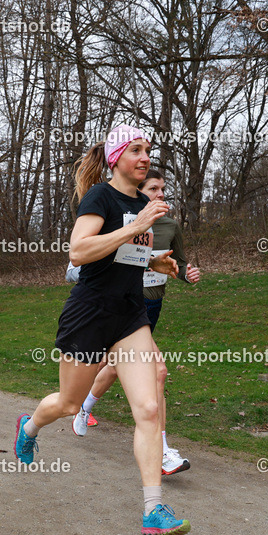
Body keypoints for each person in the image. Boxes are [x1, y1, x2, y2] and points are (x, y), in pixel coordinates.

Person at [12, 125, 190, 535]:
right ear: (115, 158)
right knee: (70, 405)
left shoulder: (141, 203)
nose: (145, 157)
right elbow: (80, 251)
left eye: (148, 150)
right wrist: (136, 225)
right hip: (89, 314)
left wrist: (155, 262)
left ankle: (152, 508)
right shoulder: (100, 197)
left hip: (129, 316)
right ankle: (30, 427)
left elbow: (122, 256)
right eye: (136, 150)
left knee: (147, 408)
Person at [71, 169, 201, 476]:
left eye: (163, 189)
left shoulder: (168, 225)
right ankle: (163, 451)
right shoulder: (122, 220)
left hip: (151, 306)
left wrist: (186, 273)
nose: (160, 195)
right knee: (158, 372)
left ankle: (83, 409)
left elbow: (178, 262)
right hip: (124, 305)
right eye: (153, 189)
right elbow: (87, 263)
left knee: (116, 368)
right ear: (139, 194)